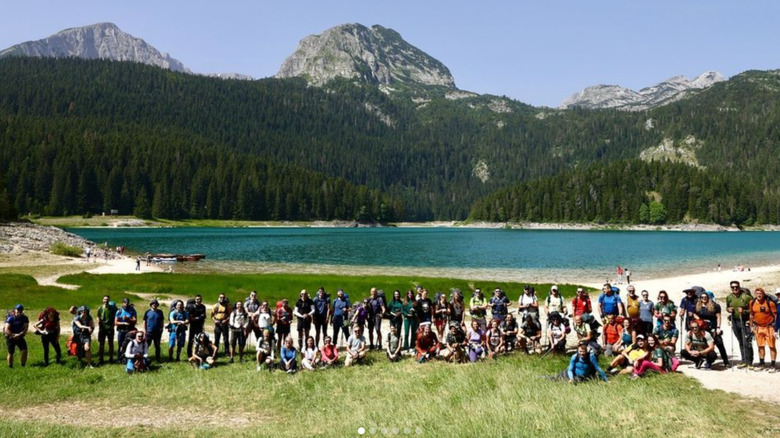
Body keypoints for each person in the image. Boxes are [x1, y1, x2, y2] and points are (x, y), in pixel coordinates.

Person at [694, 293, 729, 367]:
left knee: (719, 343)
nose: (704, 298)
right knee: (705, 345)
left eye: (705, 297)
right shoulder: (698, 306)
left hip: (713, 328)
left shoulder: (714, 306)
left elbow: (718, 317)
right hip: (703, 329)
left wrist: (718, 328)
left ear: (708, 298)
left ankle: (726, 361)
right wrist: (700, 320)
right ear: (700, 298)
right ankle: (707, 361)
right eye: (702, 297)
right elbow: (695, 314)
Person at [725, 281, 754, 369]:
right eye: (733, 287)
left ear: (739, 287)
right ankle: (744, 361)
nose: (735, 289)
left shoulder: (747, 297)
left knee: (747, 341)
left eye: (736, 287)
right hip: (735, 321)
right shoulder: (729, 297)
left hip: (745, 321)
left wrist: (744, 311)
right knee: (740, 341)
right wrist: (728, 310)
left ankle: (749, 362)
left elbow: (753, 310)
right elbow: (727, 307)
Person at [749, 287, 777, 372]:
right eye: (757, 293)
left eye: (760, 293)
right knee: (760, 346)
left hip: (769, 327)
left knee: (772, 346)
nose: (759, 295)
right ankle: (762, 363)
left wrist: (776, 327)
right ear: (755, 294)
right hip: (758, 327)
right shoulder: (752, 302)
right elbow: (751, 314)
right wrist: (751, 325)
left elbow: (775, 315)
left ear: (763, 294)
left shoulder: (770, 303)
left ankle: (773, 365)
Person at [114, 298, 137, 364]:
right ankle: (119, 359)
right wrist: (124, 323)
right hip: (121, 330)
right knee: (120, 345)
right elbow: (115, 322)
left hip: (129, 330)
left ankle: (128, 359)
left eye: (127, 302)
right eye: (124, 302)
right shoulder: (119, 311)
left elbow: (135, 320)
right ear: (123, 303)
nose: (126, 304)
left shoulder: (132, 310)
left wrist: (128, 319)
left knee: (129, 344)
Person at [96, 295, 117, 364]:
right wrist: (99, 320)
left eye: (107, 299)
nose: (106, 300)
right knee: (101, 344)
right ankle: (101, 359)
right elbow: (98, 316)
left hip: (110, 328)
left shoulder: (113, 308)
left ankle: (111, 358)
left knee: (111, 344)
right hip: (102, 329)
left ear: (109, 300)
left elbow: (118, 313)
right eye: (105, 299)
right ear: (103, 300)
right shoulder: (100, 308)